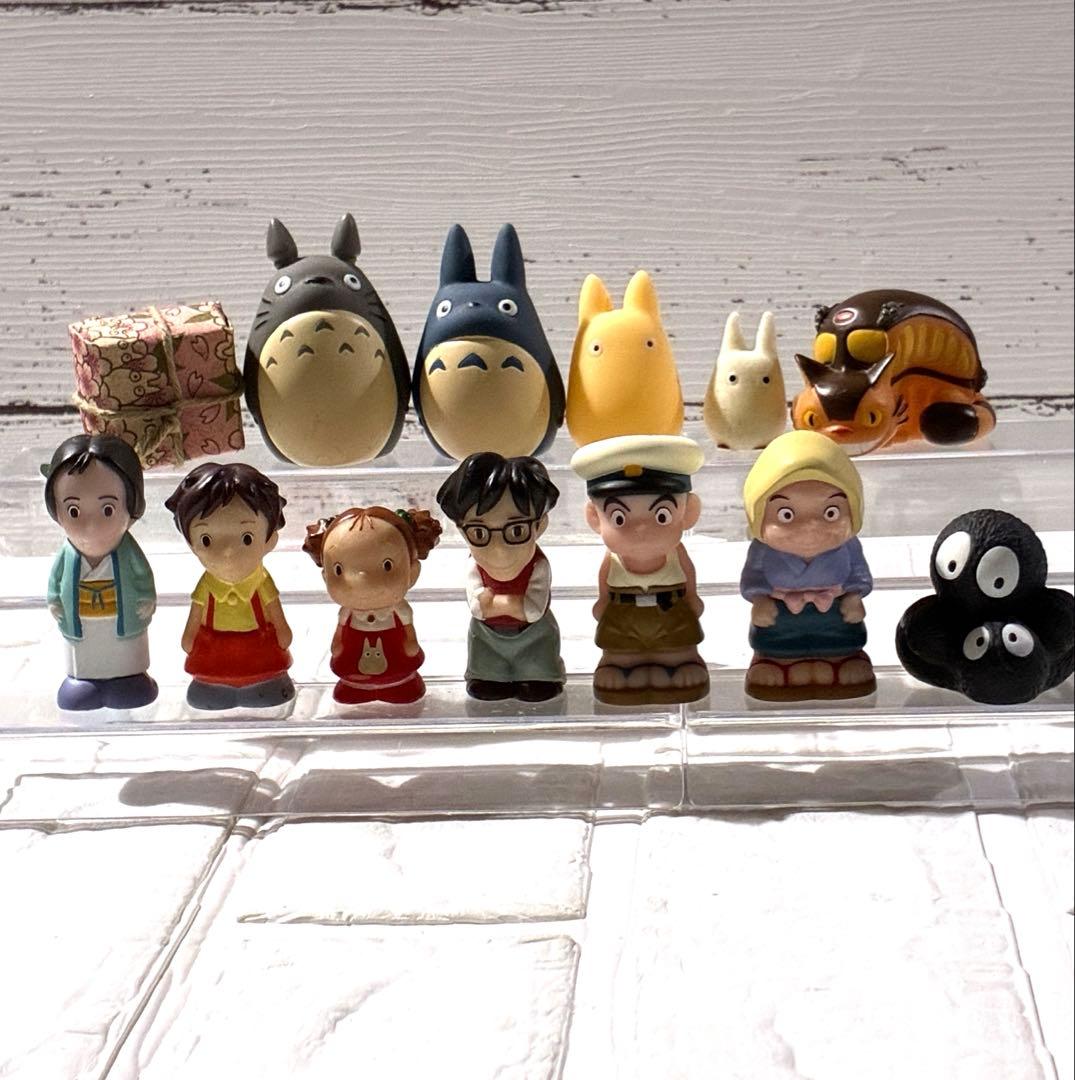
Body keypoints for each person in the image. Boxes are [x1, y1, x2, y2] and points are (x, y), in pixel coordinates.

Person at [571, 434, 709, 706]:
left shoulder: (676, 553)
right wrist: (603, 601)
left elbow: (688, 576)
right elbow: (605, 584)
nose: (641, 529)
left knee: (677, 647)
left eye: (661, 516)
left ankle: (679, 662)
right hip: (623, 612)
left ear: (688, 513)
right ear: (594, 519)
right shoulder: (612, 559)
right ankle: (619, 665)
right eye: (619, 518)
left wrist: (692, 598)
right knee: (621, 650)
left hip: (671, 609)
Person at [740, 429, 875, 700]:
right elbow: (753, 578)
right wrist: (760, 601)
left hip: (833, 607)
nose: (810, 526)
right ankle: (776, 661)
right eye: (786, 515)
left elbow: (858, 572)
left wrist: (854, 596)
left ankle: (842, 658)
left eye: (831, 513)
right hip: (782, 610)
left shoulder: (848, 545)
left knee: (841, 637)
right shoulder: (762, 550)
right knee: (777, 639)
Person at [165, 462, 294, 710]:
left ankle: (264, 685)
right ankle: (213, 687)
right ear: (191, 544)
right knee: (211, 678)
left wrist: (282, 630)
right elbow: (196, 613)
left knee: (265, 674)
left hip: (259, 645)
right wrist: (190, 636)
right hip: (214, 647)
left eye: (246, 538)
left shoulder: (262, 582)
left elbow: (274, 610)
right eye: (206, 539)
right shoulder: (206, 585)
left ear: (270, 540)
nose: (227, 551)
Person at [437, 453, 565, 701]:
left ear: (539, 526)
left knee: (538, 681)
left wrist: (494, 602)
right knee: (487, 680)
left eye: (516, 530)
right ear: (462, 532)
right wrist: (513, 603)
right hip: (487, 637)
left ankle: (537, 676)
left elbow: (533, 610)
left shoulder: (539, 566)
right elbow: (478, 609)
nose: (499, 550)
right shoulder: (473, 565)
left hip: (534, 636)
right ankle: (489, 676)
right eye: (479, 532)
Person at [45, 434, 158, 711]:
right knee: (85, 655)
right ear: (57, 510)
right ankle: (83, 682)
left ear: (131, 505)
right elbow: (55, 582)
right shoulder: (67, 557)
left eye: (108, 509)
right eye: (74, 511)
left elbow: (143, 578)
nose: (91, 526)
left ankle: (129, 680)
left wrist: (146, 598)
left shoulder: (128, 553)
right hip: (82, 621)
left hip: (121, 618)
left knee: (124, 654)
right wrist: (55, 601)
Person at [304, 506, 441, 704]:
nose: (362, 580)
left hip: (393, 645)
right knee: (350, 666)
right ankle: (354, 686)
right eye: (339, 570)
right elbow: (340, 629)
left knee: (400, 667)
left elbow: (408, 629)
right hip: (354, 645)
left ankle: (400, 684)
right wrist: (337, 642)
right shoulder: (346, 613)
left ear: (412, 573)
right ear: (325, 577)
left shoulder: (400, 610)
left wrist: (411, 642)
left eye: (387, 566)